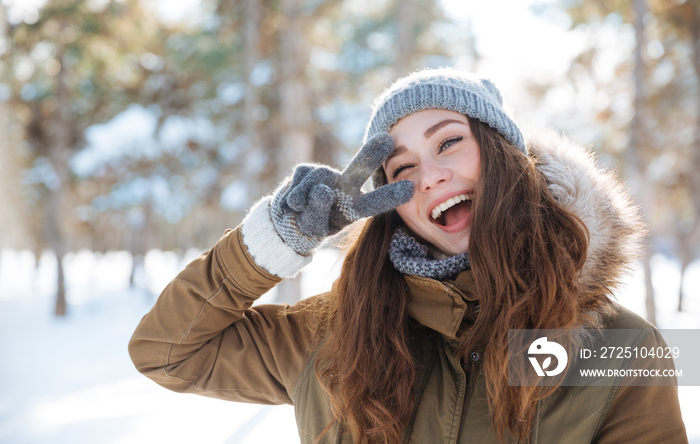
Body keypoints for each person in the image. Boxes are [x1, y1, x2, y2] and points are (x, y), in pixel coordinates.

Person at [129, 68, 687, 443]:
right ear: (393, 204)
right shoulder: (334, 335)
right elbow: (165, 352)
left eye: (448, 143)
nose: (431, 176)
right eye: (402, 171)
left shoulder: (618, 348)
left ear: (505, 156)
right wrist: (276, 239)